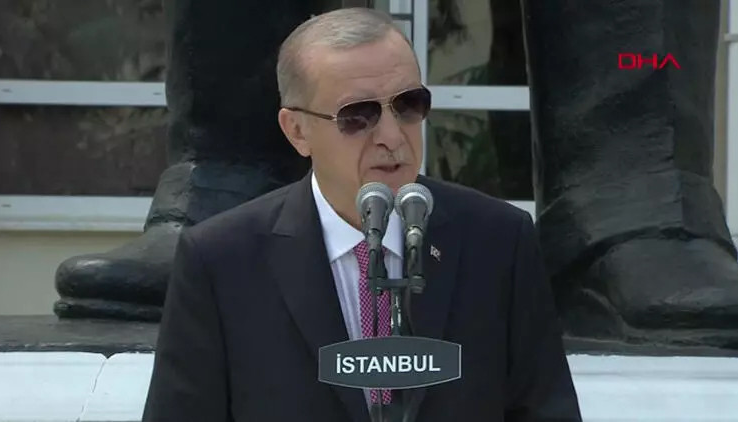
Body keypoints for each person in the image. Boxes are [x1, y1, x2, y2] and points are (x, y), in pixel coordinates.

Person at [142, 7, 581, 422]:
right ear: (297, 131)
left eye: (408, 105)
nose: (392, 136)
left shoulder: (499, 242)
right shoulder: (220, 262)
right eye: (357, 116)